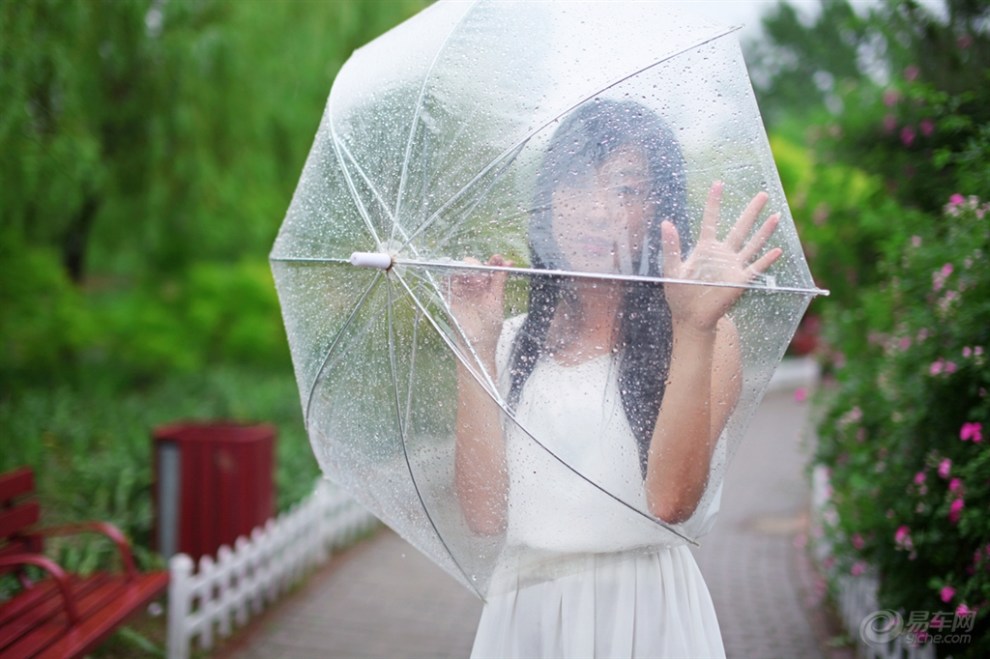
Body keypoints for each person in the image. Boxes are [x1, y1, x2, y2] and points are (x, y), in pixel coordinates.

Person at [450, 98, 781, 658]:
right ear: (548, 202)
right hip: (524, 616)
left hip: (645, 614)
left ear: (658, 208)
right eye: (575, 184)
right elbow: (484, 516)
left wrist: (696, 326)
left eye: (624, 189)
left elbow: (672, 501)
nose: (596, 211)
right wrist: (474, 346)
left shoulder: (705, 335)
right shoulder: (508, 340)